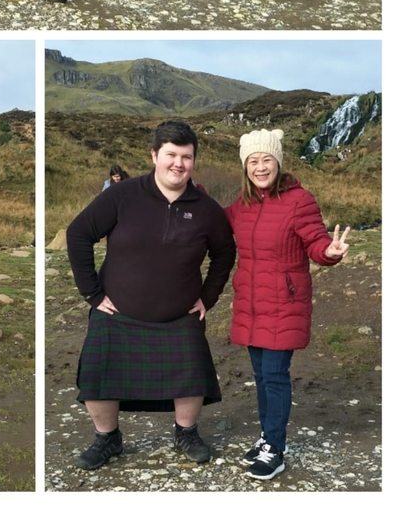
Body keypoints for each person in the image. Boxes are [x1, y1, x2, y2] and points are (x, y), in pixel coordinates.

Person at [66, 120, 236, 470]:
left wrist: (208, 297)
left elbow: (225, 253)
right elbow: (78, 233)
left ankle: (186, 433)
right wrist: (92, 293)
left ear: (194, 161)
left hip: (180, 315)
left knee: (191, 375)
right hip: (116, 313)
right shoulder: (122, 195)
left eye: (186, 157)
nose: (178, 163)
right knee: (99, 376)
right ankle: (107, 439)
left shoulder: (206, 209)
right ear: (154, 155)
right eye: (171, 155)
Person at [225, 129, 351, 482]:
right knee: (261, 376)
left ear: (278, 162)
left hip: (284, 305)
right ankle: (268, 437)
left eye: (267, 159)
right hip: (252, 305)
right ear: (245, 166)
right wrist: (190, 195)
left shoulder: (299, 200)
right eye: (253, 161)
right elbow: (214, 218)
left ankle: (275, 449)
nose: (260, 167)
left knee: (275, 376)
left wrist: (329, 252)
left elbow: (315, 241)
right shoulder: (243, 204)